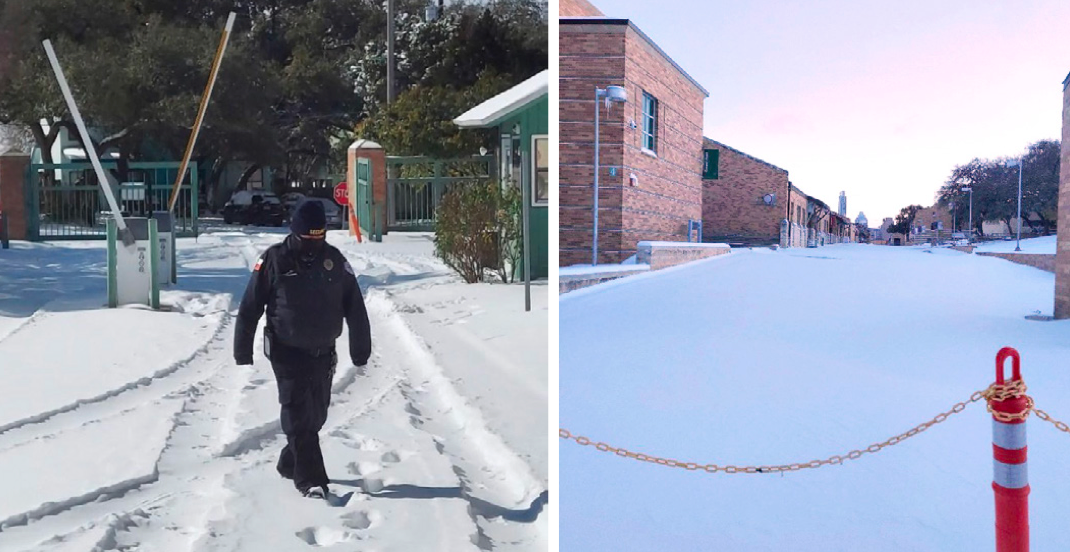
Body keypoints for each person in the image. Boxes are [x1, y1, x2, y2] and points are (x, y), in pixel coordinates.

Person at [234, 199, 372, 498]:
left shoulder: (334, 261)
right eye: (306, 238)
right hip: (286, 350)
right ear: (294, 232)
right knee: (297, 413)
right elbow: (250, 306)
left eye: (318, 237)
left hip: (323, 350)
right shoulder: (274, 260)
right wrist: (242, 349)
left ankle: (290, 461)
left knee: (316, 416)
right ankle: (311, 480)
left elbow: (355, 307)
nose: (313, 244)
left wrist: (360, 349)